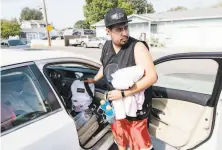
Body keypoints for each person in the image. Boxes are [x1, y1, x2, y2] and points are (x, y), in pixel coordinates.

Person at [85, 8, 157, 150]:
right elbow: (105, 66)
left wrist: (124, 93)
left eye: (126, 28)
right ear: (108, 31)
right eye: (119, 29)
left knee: (139, 144)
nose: (125, 33)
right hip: (116, 105)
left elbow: (152, 77)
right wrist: (94, 79)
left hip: (135, 107)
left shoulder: (137, 47)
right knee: (120, 137)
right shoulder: (106, 47)